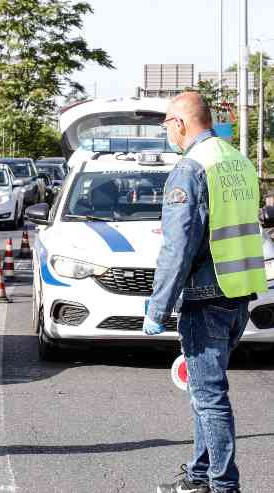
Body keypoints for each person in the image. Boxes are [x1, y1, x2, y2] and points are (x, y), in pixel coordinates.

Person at [143, 92, 266, 493]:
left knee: (210, 397)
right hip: (240, 292)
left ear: (181, 122)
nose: (168, 134)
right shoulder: (238, 161)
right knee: (203, 390)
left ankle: (223, 485)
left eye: (167, 125)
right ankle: (199, 477)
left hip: (206, 296)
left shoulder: (191, 168)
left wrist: (157, 307)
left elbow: (178, 248)